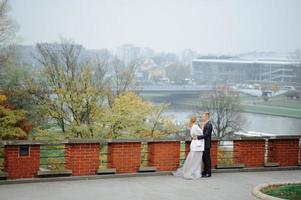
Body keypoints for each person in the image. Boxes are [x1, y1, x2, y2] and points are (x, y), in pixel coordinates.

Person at [173, 115, 204, 179]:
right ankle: (193, 172)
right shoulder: (195, 126)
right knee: (196, 160)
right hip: (197, 145)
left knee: (192, 159)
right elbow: (202, 134)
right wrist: (202, 127)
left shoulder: (192, 126)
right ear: (195, 120)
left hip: (194, 144)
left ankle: (191, 171)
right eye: (197, 119)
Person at [194, 112, 212, 178]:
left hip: (206, 144)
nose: (202, 117)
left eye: (203, 116)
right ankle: (205, 171)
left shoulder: (209, 125)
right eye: (202, 116)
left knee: (207, 159)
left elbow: (206, 135)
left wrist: (197, 137)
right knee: (204, 159)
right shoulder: (203, 124)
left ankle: (208, 173)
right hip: (202, 144)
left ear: (207, 116)